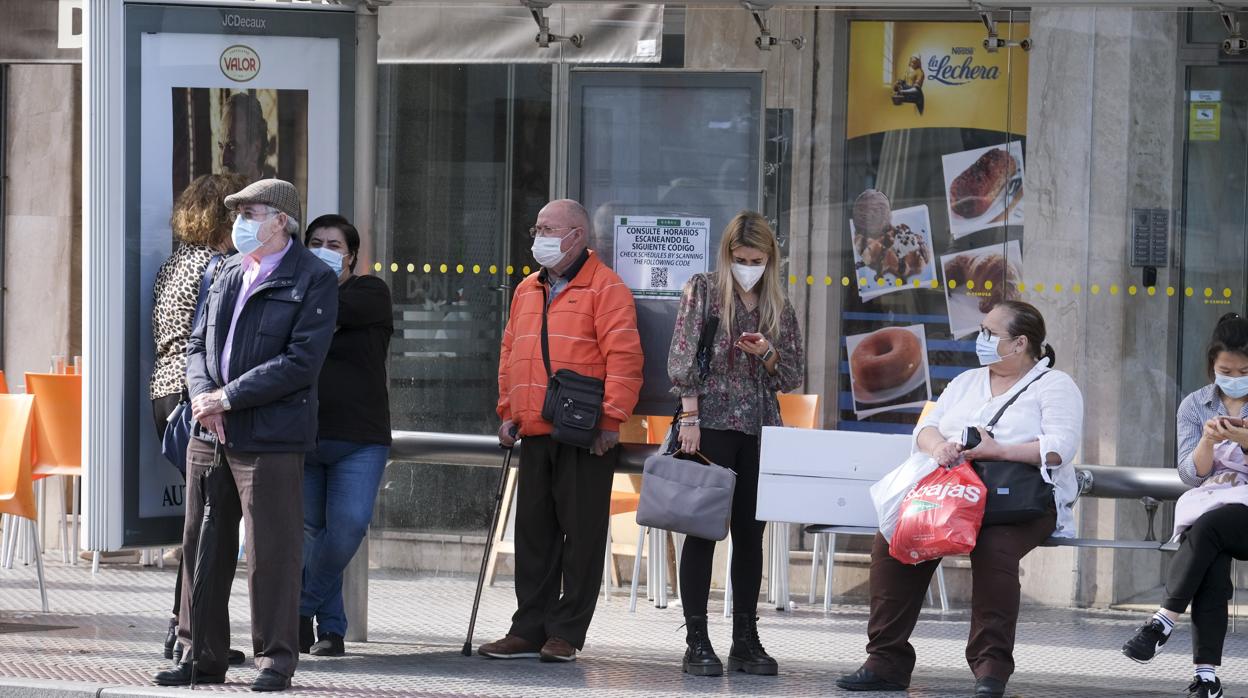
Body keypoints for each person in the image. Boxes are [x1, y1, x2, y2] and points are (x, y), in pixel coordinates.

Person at [836, 301, 1083, 697]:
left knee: (993, 550)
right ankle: (886, 661)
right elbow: (925, 427)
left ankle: (991, 669)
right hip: (951, 492)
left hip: (1015, 501)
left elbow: (1060, 447)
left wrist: (998, 450)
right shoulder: (966, 381)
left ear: (1020, 343)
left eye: (990, 333)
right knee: (896, 540)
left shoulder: (1055, 385)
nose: (980, 339)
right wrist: (938, 448)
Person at [153, 179, 337, 692]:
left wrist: (228, 398)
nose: (239, 222)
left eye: (250, 212)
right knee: (199, 542)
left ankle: (275, 660)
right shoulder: (228, 268)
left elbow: (301, 362)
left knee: (270, 551)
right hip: (209, 430)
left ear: (281, 219)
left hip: (271, 435)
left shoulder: (312, 278)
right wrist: (202, 396)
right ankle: (198, 653)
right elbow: (195, 343)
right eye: (238, 213)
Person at [479, 199, 644, 663]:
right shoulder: (527, 289)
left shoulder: (606, 288)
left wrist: (612, 418)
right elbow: (511, 353)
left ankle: (566, 632)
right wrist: (508, 410)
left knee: (582, 536)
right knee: (535, 535)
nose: (540, 236)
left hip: (584, 433)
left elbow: (625, 359)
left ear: (577, 235)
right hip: (533, 430)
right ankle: (528, 627)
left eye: (549, 228)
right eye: (537, 228)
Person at [666, 211, 804, 677]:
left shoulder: (777, 303)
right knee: (702, 529)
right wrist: (690, 416)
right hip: (711, 424)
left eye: (758, 259)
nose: (749, 266)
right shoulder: (703, 289)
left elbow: (791, 375)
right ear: (727, 255)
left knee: (751, 535)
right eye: (742, 258)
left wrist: (766, 352)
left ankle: (745, 638)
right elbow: (682, 356)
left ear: (771, 258)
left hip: (761, 425)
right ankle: (696, 639)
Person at [1120, 313, 1248, 698]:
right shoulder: (1195, 405)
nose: (1234, 376)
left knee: (1207, 529)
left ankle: (1162, 621)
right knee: (1211, 558)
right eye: (1226, 369)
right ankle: (1206, 678)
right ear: (1212, 364)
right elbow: (1191, 476)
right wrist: (1209, 441)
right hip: (1215, 506)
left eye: (1244, 370)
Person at [149, 172, 247, 666]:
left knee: (199, 522)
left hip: (165, 396)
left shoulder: (174, 264)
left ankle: (184, 628)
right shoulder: (221, 266)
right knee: (211, 524)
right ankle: (195, 632)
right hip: (199, 400)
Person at [298, 215, 393, 657]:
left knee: (348, 527)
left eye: (333, 244)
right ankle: (331, 630)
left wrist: (305, 301)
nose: (324, 249)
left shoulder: (370, 292)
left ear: (351, 255)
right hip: (305, 436)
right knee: (314, 534)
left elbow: (329, 311)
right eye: (315, 242)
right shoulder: (299, 291)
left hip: (359, 438)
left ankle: (299, 608)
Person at [219, 92, 275, 182]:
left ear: (256, 149)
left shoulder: (270, 194)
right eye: (221, 147)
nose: (223, 159)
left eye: (233, 147)